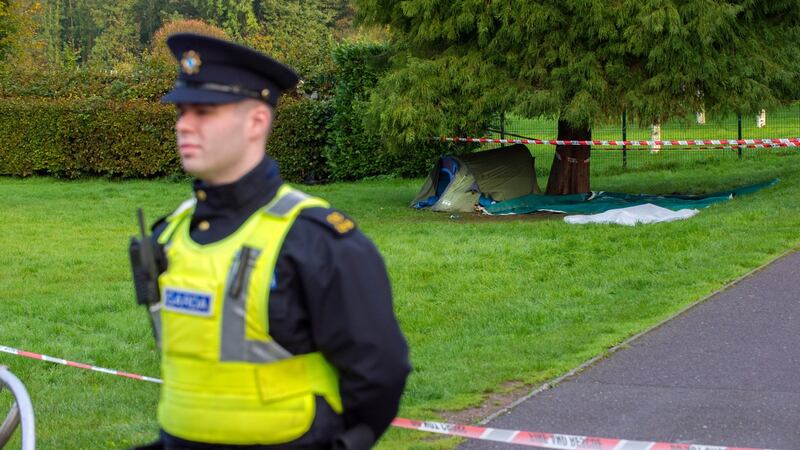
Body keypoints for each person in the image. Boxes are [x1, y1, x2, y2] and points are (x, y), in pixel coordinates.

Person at [129, 33, 411, 450]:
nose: (184, 124)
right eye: (182, 110)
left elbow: (380, 373)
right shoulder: (169, 233)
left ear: (256, 122)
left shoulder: (316, 240)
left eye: (204, 111)